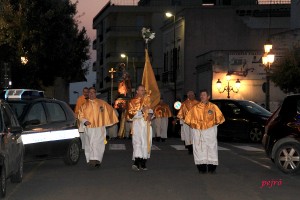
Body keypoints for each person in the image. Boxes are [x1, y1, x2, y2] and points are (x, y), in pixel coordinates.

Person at [185, 89, 225, 174]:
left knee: (211, 148)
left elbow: (220, 119)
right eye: (201, 95)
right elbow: (188, 120)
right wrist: (196, 126)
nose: (202, 96)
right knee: (199, 149)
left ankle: (212, 168)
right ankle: (201, 168)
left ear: (208, 96)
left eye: (204, 95)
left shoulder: (213, 107)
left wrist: (212, 126)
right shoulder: (195, 108)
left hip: (210, 131)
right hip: (198, 132)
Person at [78, 87, 119, 168]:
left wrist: (108, 120)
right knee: (90, 143)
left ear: (95, 93)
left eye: (93, 92)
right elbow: (80, 115)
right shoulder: (84, 105)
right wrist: (85, 121)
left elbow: (110, 111)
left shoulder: (102, 103)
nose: (91, 94)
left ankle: (97, 160)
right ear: (88, 94)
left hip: (100, 127)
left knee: (99, 143)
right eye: (90, 92)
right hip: (89, 127)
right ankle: (91, 159)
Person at [127, 85, 153, 171]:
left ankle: (143, 162)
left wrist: (150, 115)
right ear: (137, 91)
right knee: (137, 142)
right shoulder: (132, 102)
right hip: (137, 124)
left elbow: (151, 111)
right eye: (141, 90)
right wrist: (141, 111)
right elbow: (130, 116)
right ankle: (136, 162)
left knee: (146, 142)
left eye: (143, 90)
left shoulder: (147, 100)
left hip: (146, 124)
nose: (142, 92)